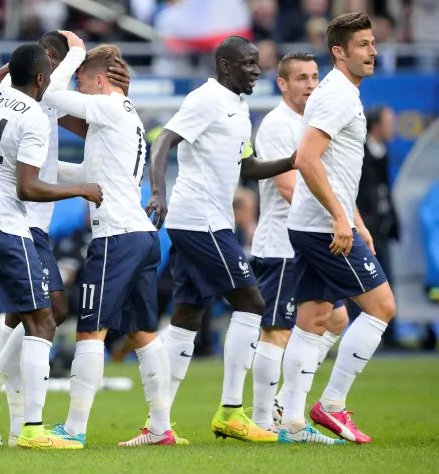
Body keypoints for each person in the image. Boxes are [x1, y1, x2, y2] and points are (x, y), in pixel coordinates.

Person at [0, 31, 130, 448]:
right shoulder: (22, 93)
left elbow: (85, 135)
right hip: (13, 218)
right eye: (63, 66)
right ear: (48, 64)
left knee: (37, 313)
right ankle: (18, 419)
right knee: (42, 313)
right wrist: (77, 52)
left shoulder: (41, 99)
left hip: (32, 221)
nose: (68, 76)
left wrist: (117, 93)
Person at [0, 42, 102, 451]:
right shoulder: (33, 118)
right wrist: (80, 188)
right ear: (42, 78)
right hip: (6, 228)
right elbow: (28, 188)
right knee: (42, 322)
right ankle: (31, 430)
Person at [146, 35, 295, 443]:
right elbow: (163, 140)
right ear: (226, 66)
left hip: (208, 222)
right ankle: (231, 411)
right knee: (252, 303)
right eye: (248, 63)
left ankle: (158, 426)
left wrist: (295, 161)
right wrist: (157, 191)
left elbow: (247, 167)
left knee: (188, 316)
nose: (257, 69)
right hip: (200, 221)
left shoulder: (240, 108)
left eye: (257, 62)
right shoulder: (205, 99)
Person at [40, 42, 175, 448]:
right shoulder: (125, 115)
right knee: (143, 332)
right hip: (140, 237)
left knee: (90, 330)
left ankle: (74, 430)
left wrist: (72, 54)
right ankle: (160, 427)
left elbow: (48, 93)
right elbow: (90, 172)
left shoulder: (109, 107)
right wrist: (42, 167)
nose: (78, 90)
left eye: (82, 82)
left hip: (115, 236)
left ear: (98, 80)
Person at [279, 12, 396, 445]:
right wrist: (339, 217)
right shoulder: (338, 96)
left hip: (317, 222)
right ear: (339, 52)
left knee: (314, 319)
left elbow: (335, 167)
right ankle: (331, 406)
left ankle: (291, 422)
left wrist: (355, 219)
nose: (373, 51)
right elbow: (306, 159)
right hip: (320, 227)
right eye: (363, 45)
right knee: (382, 308)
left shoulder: (341, 93)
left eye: (372, 43)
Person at [247, 52, 349, 434]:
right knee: (276, 331)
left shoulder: (312, 124)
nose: (310, 85)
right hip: (281, 245)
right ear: (283, 83)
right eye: (301, 78)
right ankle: (263, 420)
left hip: (308, 244)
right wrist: (335, 219)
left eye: (313, 77)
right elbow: (288, 187)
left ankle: (283, 402)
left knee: (336, 319)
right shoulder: (277, 124)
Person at [357, 106, 402, 348]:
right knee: (363, 284)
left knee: (387, 281)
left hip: (381, 228)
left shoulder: (382, 152)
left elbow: (384, 192)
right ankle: (364, 339)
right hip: (365, 227)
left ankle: (390, 337)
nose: (393, 127)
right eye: (389, 121)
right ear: (376, 126)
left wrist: (392, 220)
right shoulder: (361, 152)